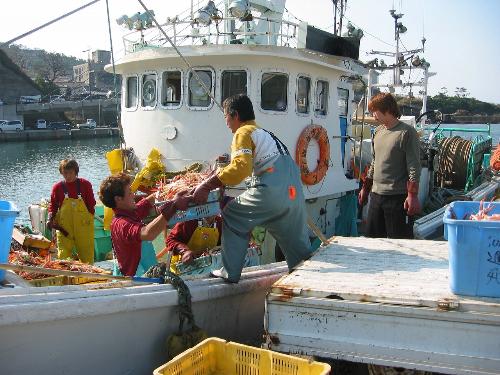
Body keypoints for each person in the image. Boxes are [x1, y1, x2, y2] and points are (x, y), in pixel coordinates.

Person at [192, 94, 312, 283]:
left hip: (272, 190)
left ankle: (229, 272)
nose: (226, 123)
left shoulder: (243, 132)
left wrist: (207, 185)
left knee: (232, 214)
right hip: (294, 194)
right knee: (295, 245)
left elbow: (241, 168)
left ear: (235, 115)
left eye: (226, 117)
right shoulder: (266, 134)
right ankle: (306, 275)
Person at [99, 172, 191, 276]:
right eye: (129, 192)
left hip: (148, 272)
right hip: (138, 279)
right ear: (118, 199)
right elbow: (148, 234)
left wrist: (164, 191)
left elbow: (146, 203)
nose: (133, 194)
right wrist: (173, 206)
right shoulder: (122, 224)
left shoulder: (130, 212)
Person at [358, 92, 421, 238]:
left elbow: (414, 165)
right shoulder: (378, 132)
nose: (373, 115)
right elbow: (375, 161)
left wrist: (412, 195)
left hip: (397, 198)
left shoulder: (407, 132)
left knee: (400, 242)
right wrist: (365, 188)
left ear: (386, 109)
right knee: (373, 241)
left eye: (375, 111)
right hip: (376, 196)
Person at [47, 159, 96, 263]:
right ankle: (66, 277)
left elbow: (91, 204)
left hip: (83, 227)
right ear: (61, 172)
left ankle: (89, 277)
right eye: (65, 173)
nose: (68, 176)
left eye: (71, 173)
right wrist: (50, 218)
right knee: (63, 257)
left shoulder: (85, 184)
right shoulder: (57, 187)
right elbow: (53, 206)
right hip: (64, 227)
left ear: (76, 172)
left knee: (86, 255)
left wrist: (89, 217)